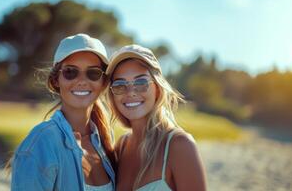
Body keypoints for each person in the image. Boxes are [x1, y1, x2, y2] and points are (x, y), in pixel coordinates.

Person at [11, 33, 115, 191]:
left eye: (93, 73)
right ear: (55, 80)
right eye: (71, 72)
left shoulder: (105, 143)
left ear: (103, 82)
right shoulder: (41, 142)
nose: (81, 81)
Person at [106, 44, 206, 191]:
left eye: (141, 82)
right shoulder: (122, 146)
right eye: (120, 85)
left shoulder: (180, 146)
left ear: (158, 89)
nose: (130, 92)